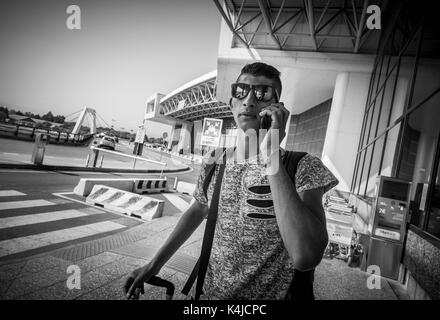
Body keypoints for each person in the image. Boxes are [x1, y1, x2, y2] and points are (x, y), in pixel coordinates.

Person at [123, 62, 338, 300]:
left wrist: (271, 156)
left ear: (278, 108)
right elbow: (197, 210)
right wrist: (153, 265)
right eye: (241, 91)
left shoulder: (302, 166)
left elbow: (306, 256)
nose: (249, 100)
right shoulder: (215, 160)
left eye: (262, 93)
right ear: (231, 104)